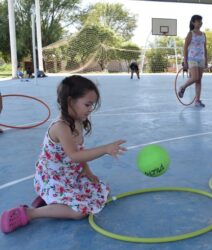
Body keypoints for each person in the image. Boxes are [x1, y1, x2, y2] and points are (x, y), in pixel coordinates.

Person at [0, 75, 127, 234]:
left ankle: (52, 201)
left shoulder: (78, 121)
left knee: (100, 191)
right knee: (79, 212)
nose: (90, 109)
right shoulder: (61, 127)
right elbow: (74, 155)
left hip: (70, 175)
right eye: (87, 104)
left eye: (92, 105)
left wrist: (87, 171)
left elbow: (79, 151)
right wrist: (105, 149)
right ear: (70, 101)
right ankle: (30, 213)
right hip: (53, 177)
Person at [178, 15, 207, 107]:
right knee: (195, 78)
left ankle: (197, 101)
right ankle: (183, 87)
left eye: (201, 21)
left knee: (199, 80)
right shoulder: (190, 34)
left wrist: (206, 60)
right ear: (193, 23)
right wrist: (185, 61)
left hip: (201, 59)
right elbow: (185, 47)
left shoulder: (203, 34)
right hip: (192, 58)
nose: (200, 23)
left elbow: (205, 48)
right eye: (198, 21)